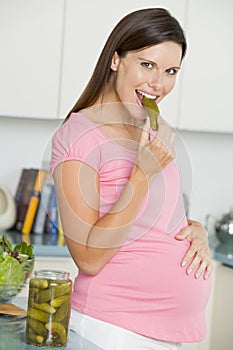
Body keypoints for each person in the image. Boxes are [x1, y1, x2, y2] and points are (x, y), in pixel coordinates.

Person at [50, 8, 212, 350]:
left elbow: (151, 219)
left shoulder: (151, 131)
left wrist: (193, 228)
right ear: (115, 61)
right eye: (147, 65)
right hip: (112, 329)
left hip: (163, 335)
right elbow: (89, 258)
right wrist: (142, 172)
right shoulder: (80, 136)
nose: (159, 83)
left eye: (171, 71)